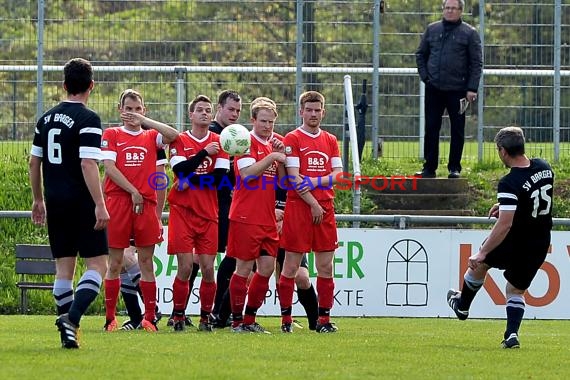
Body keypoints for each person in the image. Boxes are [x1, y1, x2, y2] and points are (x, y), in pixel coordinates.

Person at [447, 126, 553, 349]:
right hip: (539, 242)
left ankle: (462, 305)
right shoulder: (545, 168)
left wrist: (483, 251)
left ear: (503, 151)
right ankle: (511, 335)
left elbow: (505, 223)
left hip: (515, 239)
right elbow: (531, 196)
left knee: (479, 263)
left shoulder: (509, 182)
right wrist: (506, 204)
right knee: (515, 290)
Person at [29, 57, 109, 349]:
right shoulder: (89, 119)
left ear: (64, 85)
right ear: (91, 86)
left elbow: (34, 161)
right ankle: (71, 319)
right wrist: (99, 203)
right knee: (98, 265)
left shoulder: (46, 119)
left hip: (55, 201)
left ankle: (68, 334)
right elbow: (88, 163)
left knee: (63, 269)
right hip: (81, 202)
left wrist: (38, 199)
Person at [100, 88, 179, 332]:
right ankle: (110, 318)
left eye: (137, 109)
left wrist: (144, 122)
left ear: (144, 111)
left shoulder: (152, 137)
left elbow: (173, 135)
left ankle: (149, 317)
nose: (132, 113)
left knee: (146, 261)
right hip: (118, 202)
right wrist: (132, 190)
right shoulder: (111, 134)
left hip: (146, 205)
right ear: (120, 110)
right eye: (128, 109)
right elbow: (109, 167)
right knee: (115, 263)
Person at [278, 91, 343, 333]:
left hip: (325, 206)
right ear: (301, 111)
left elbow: (338, 175)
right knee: (291, 267)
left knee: (326, 267)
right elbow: (294, 178)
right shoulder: (292, 138)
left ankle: (323, 320)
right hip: (299, 208)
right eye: (309, 110)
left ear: (323, 112)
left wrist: (316, 182)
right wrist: (313, 203)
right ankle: (286, 320)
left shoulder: (330, 140)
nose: (313, 114)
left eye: (317, 110)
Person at [167, 94, 230, 332]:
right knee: (184, 268)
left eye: (208, 110)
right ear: (191, 114)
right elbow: (180, 169)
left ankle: (205, 317)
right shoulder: (180, 140)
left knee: (207, 268)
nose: (204, 113)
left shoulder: (220, 141)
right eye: (200, 110)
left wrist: (190, 181)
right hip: (182, 211)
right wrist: (204, 153)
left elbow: (219, 179)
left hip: (208, 213)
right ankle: (179, 315)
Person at [227, 97, 286, 333]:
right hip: (245, 215)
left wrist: (279, 156)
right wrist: (272, 156)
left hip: (267, 217)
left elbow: (282, 181)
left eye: (271, 122)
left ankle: (250, 319)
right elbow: (248, 174)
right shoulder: (244, 142)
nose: (267, 126)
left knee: (267, 268)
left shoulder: (274, 143)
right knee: (243, 268)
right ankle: (236, 321)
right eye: (263, 121)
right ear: (253, 120)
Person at [415, 0, 482, 179]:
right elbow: (421, 54)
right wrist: (425, 77)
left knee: (457, 130)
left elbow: (476, 63)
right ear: (443, 9)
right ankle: (429, 168)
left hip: (458, 90)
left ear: (461, 11)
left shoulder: (470, 33)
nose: (450, 11)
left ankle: (454, 168)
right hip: (434, 88)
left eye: (454, 8)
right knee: (431, 128)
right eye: (447, 8)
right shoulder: (432, 29)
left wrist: (472, 88)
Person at [209, 89, 243, 327]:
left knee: (232, 255)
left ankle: (219, 310)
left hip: (231, 204)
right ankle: (181, 314)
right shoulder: (211, 133)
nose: (234, 114)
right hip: (211, 203)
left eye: (238, 111)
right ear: (218, 108)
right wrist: (226, 185)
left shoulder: (238, 135)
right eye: (230, 109)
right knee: (201, 258)